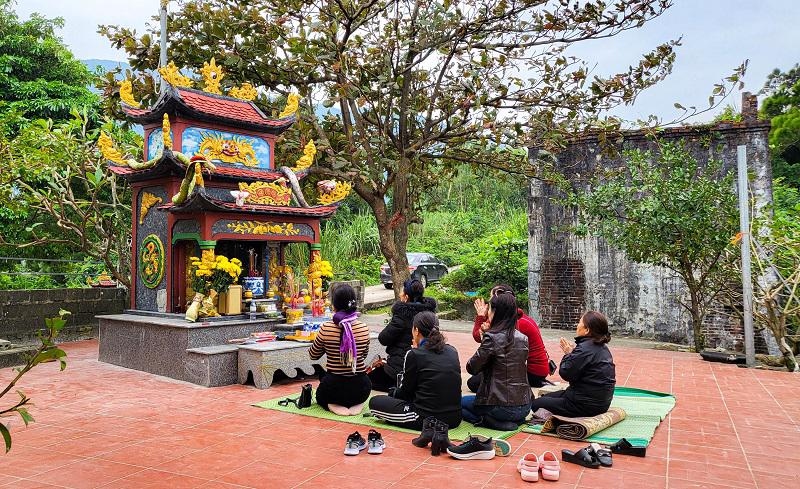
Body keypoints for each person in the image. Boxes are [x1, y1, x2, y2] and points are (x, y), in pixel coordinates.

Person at [368, 311, 462, 430]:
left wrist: (393, 393)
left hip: (425, 418)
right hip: (454, 418)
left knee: (375, 402)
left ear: (416, 330)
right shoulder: (452, 350)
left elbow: (406, 392)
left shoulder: (414, 354)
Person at [461, 292, 531, 431]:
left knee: (458, 404)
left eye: (490, 310)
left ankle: (488, 421)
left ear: (496, 313)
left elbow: (471, 367)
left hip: (500, 407)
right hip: (525, 405)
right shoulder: (523, 338)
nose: (487, 313)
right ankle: (515, 420)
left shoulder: (491, 338)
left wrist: (485, 338)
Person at [530, 311, 616, 418]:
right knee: (546, 398)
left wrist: (568, 354)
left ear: (587, 330)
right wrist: (572, 354)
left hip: (584, 405)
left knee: (536, 404)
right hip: (600, 403)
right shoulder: (601, 347)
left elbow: (565, 373)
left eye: (580, 323)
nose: (577, 325)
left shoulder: (584, 349)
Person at [470, 285, 550, 391]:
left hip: (533, 372)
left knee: (475, 382)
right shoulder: (513, 318)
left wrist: (482, 320)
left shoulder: (516, 323)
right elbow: (479, 337)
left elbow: (484, 347)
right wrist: (482, 318)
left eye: (492, 300)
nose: (490, 303)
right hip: (526, 368)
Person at [309, 284, 371, 415]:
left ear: (334, 304)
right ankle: (357, 403)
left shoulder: (326, 328)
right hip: (361, 388)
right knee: (359, 386)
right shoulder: (364, 328)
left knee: (321, 392)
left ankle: (334, 404)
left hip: (333, 389)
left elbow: (313, 355)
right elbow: (364, 355)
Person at [368, 279, 437, 391]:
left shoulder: (402, 315)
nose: (400, 294)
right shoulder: (431, 314)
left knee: (367, 380)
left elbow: (383, 338)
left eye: (402, 292)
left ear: (406, 297)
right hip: (425, 368)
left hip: (400, 369)